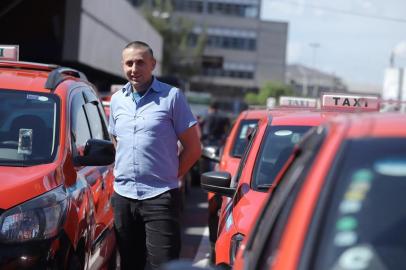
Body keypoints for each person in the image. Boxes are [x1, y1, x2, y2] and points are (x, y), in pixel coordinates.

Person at [108, 41, 201, 269]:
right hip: (124, 197)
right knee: (130, 264)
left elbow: (193, 149)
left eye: (140, 62)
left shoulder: (172, 97)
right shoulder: (118, 100)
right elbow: (116, 140)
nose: (134, 68)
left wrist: (171, 175)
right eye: (129, 63)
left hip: (160, 197)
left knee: (164, 264)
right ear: (122, 66)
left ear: (153, 64)